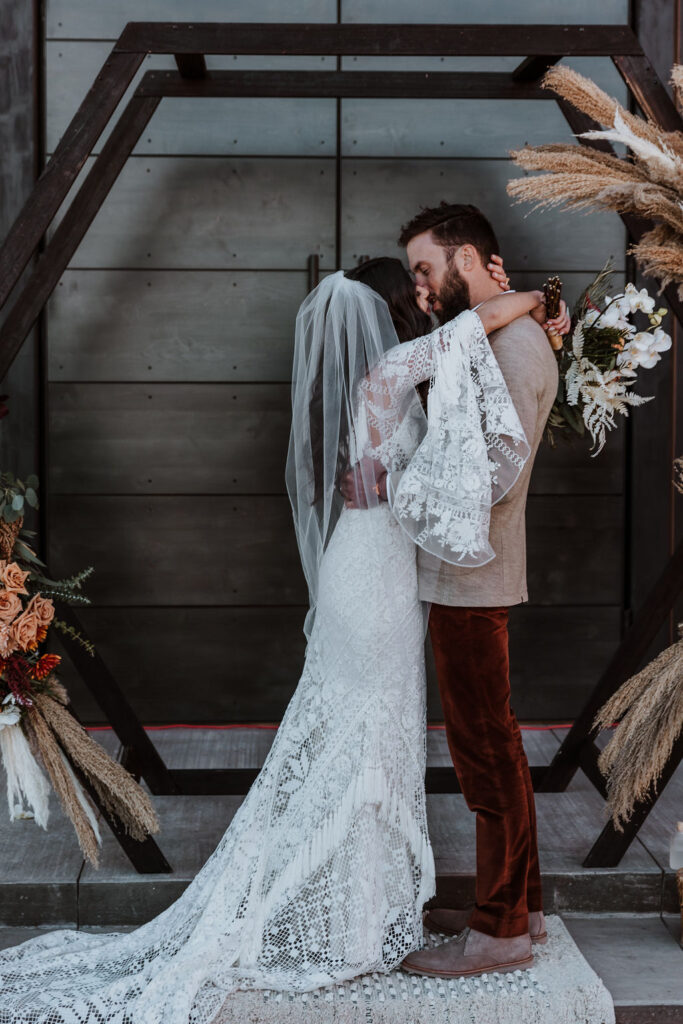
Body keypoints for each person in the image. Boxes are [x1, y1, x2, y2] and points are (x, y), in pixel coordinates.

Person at [0, 260, 565, 1022]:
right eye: (418, 290)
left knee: (371, 743)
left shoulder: (401, 371)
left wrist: (547, 323)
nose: (428, 297)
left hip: (378, 574)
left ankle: (355, 916)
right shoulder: (393, 368)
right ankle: (342, 925)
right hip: (372, 582)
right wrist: (532, 298)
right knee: (363, 742)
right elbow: (468, 331)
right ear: (392, 308)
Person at [342, 204, 564, 980]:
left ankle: (499, 929)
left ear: (467, 259)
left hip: (473, 578)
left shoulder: (512, 349)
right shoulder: (502, 335)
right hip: (467, 574)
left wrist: (388, 481)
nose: (421, 287)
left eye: (426, 268)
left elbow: (489, 480)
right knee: (492, 741)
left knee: (483, 750)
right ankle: (521, 904)